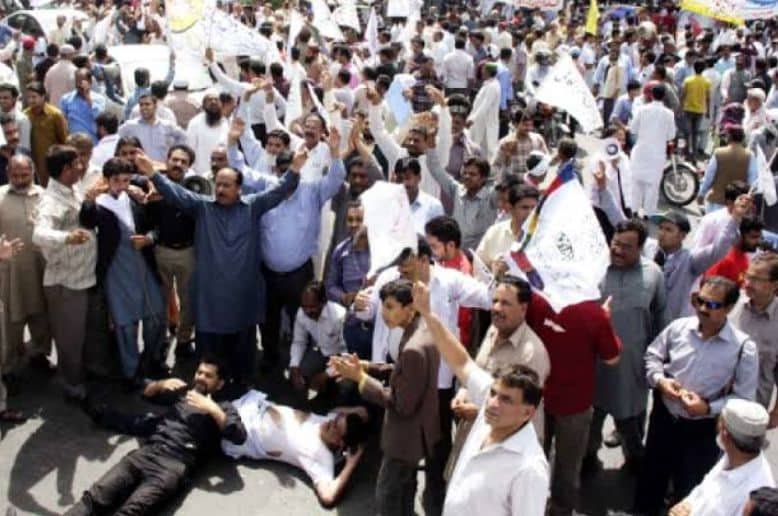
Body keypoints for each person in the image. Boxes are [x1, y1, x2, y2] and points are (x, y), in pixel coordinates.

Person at [133, 147, 301, 387]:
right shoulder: (203, 208)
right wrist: (152, 173)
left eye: (227, 186)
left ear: (239, 189)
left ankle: (241, 389)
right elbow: (175, 193)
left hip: (242, 296)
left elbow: (279, 190)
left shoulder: (253, 206)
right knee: (209, 355)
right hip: (210, 297)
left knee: (242, 355)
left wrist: (295, 168)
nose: (220, 190)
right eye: (219, 185)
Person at [411, 280, 549, 516]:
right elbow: (461, 361)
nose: (492, 403)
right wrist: (427, 313)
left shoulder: (529, 469)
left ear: (528, 412)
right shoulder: (490, 406)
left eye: (506, 400)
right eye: (493, 393)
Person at [635, 276, 759, 515]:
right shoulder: (678, 328)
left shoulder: (743, 347)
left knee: (690, 488)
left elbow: (743, 398)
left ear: (729, 308)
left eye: (711, 305)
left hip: (701, 430)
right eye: (699, 301)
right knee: (652, 477)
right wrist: (661, 381)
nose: (702, 309)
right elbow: (653, 356)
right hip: (665, 418)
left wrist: (708, 408)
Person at [65, 356, 247, 515]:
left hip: (171, 466)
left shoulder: (223, 407)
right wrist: (159, 385)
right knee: (96, 496)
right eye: (199, 372)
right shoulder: (185, 393)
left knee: (131, 511)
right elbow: (147, 396)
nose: (201, 377)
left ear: (220, 383)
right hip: (147, 452)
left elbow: (239, 436)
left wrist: (212, 409)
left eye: (208, 375)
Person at [330, 279, 442, 516]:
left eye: (390, 307)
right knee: (405, 492)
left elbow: (401, 403)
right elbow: (403, 372)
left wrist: (360, 378)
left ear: (410, 308)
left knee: (388, 499)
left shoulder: (413, 348)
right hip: (418, 433)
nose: (383, 313)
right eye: (383, 306)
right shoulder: (421, 330)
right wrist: (367, 366)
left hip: (404, 438)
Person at [585, 219, 669, 474]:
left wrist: (659, 363)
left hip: (632, 367)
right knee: (590, 419)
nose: (618, 250)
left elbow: (661, 318)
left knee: (631, 421)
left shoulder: (653, 274)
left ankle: (634, 460)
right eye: (616, 243)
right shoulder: (594, 268)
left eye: (627, 247)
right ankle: (588, 459)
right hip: (593, 365)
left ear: (641, 248)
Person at [79, 157, 166, 385]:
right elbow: (86, 221)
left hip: (143, 267)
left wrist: (148, 239)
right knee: (125, 325)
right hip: (116, 271)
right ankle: (131, 372)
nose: (121, 185)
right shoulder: (99, 205)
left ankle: (153, 360)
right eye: (116, 180)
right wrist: (89, 199)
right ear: (106, 180)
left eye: (126, 180)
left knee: (155, 317)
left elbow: (157, 228)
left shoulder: (137, 200)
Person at [221, 390, 369, 507]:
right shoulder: (329, 422)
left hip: (239, 430)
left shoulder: (322, 458)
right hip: (250, 403)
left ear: (340, 443)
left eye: (335, 427)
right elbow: (362, 411)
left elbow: (328, 496)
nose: (331, 421)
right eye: (337, 418)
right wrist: (353, 418)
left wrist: (351, 463)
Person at [667, 399, 775, 516]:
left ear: (725, 435)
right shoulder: (732, 456)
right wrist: (685, 504)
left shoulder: (757, 497)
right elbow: (704, 489)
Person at [0, 155, 52, 382]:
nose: (20, 180)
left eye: (25, 175)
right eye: (15, 175)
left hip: (41, 267)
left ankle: (39, 353)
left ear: (33, 172)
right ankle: (9, 367)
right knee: (11, 321)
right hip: (10, 272)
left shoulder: (45, 196)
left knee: (42, 314)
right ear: (7, 173)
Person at [146, 145, 198, 357]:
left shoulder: (195, 188)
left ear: (189, 166)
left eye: (183, 162)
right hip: (161, 251)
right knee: (160, 301)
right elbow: (147, 220)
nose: (178, 164)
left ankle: (184, 340)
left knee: (188, 301)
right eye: (175, 159)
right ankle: (161, 341)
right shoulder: (153, 186)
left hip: (187, 252)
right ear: (167, 160)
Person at [730, 253, 778, 419]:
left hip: (750, 410)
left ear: (774, 285)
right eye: (747, 276)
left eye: (756, 279)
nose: (748, 283)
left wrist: (776, 412)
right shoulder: (732, 303)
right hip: (714, 400)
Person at [325, 201, 372, 359]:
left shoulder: (380, 250)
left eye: (359, 220)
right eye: (350, 220)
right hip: (351, 323)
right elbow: (330, 286)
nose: (353, 224)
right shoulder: (340, 251)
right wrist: (344, 297)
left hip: (377, 325)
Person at [426, 150, 499, 250]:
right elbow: (437, 171)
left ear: (483, 178)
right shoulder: (457, 191)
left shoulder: (491, 196)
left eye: (472, 174)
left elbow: (506, 185)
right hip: (456, 252)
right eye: (465, 173)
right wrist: (430, 149)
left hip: (479, 254)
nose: (467, 177)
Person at [289, 281, 347, 394]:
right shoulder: (301, 313)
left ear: (323, 302)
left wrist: (325, 375)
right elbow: (299, 342)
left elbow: (347, 355)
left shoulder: (339, 316)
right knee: (301, 372)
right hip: (320, 352)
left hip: (340, 356)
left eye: (312, 307)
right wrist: (294, 367)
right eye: (304, 307)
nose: (307, 311)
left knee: (344, 384)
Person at [629, 83, 676, 217]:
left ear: (651, 95)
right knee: (652, 186)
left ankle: (634, 210)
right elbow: (671, 135)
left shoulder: (642, 110)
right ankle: (648, 213)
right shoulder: (669, 114)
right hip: (657, 154)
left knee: (636, 182)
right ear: (664, 96)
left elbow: (633, 129)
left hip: (641, 151)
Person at [476, 183, 539, 270]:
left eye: (533, 208)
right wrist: (494, 266)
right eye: (524, 208)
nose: (530, 213)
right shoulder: (495, 232)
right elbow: (479, 264)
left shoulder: (544, 235)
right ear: (510, 208)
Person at [698, 125, 758, 213]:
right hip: (736, 206)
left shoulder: (719, 152)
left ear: (729, 137)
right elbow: (753, 182)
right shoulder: (750, 156)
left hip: (716, 202)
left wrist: (701, 194)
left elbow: (708, 177)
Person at [118, 91, 187, 162]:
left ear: (155, 106)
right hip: (140, 167)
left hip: (161, 166)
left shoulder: (166, 125)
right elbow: (117, 138)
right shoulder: (130, 125)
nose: (143, 107)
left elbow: (183, 136)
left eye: (147, 104)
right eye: (141, 105)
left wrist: (174, 152)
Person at [24, 81, 68, 186]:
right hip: (33, 161)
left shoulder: (55, 115)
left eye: (34, 97)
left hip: (52, 161)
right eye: (29, 97)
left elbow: (64, 139)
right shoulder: (25, 115)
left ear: (43, 96)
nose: (31, 100)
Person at [704, 217, 764, 286]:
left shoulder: (744, 258)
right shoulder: (724, 257)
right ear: (739, 236)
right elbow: (707, 285)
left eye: (760, 237)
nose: (758, 242)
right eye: (754, 237)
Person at [186, 90, 229, 176]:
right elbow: (190, 149)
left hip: (222, 173)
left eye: (216, 100)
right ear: (203, 105)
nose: (213, 102)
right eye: (209, 100)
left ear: (221, 104)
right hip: (200, 173)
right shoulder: (195, 123)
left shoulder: (227, 123)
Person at [59, 68, 106, 143]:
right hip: (74, 143)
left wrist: (88, 98)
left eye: (82, 82)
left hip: (92, 142)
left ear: (90, 81)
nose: (79, 84)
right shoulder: (66, 99)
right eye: (77, 81)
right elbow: (63, 121)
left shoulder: (99, 99)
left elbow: (100, 119)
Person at [681, 60, 711, 161]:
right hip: (700, 110)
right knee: (695, 133)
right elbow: (708, 98)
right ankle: (694, 153)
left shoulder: (688, 80)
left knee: (687, 132)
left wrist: (680, 107)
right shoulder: (706, 82)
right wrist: (708, 111)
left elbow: (683, 95)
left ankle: (687, 152)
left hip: (688, 109)